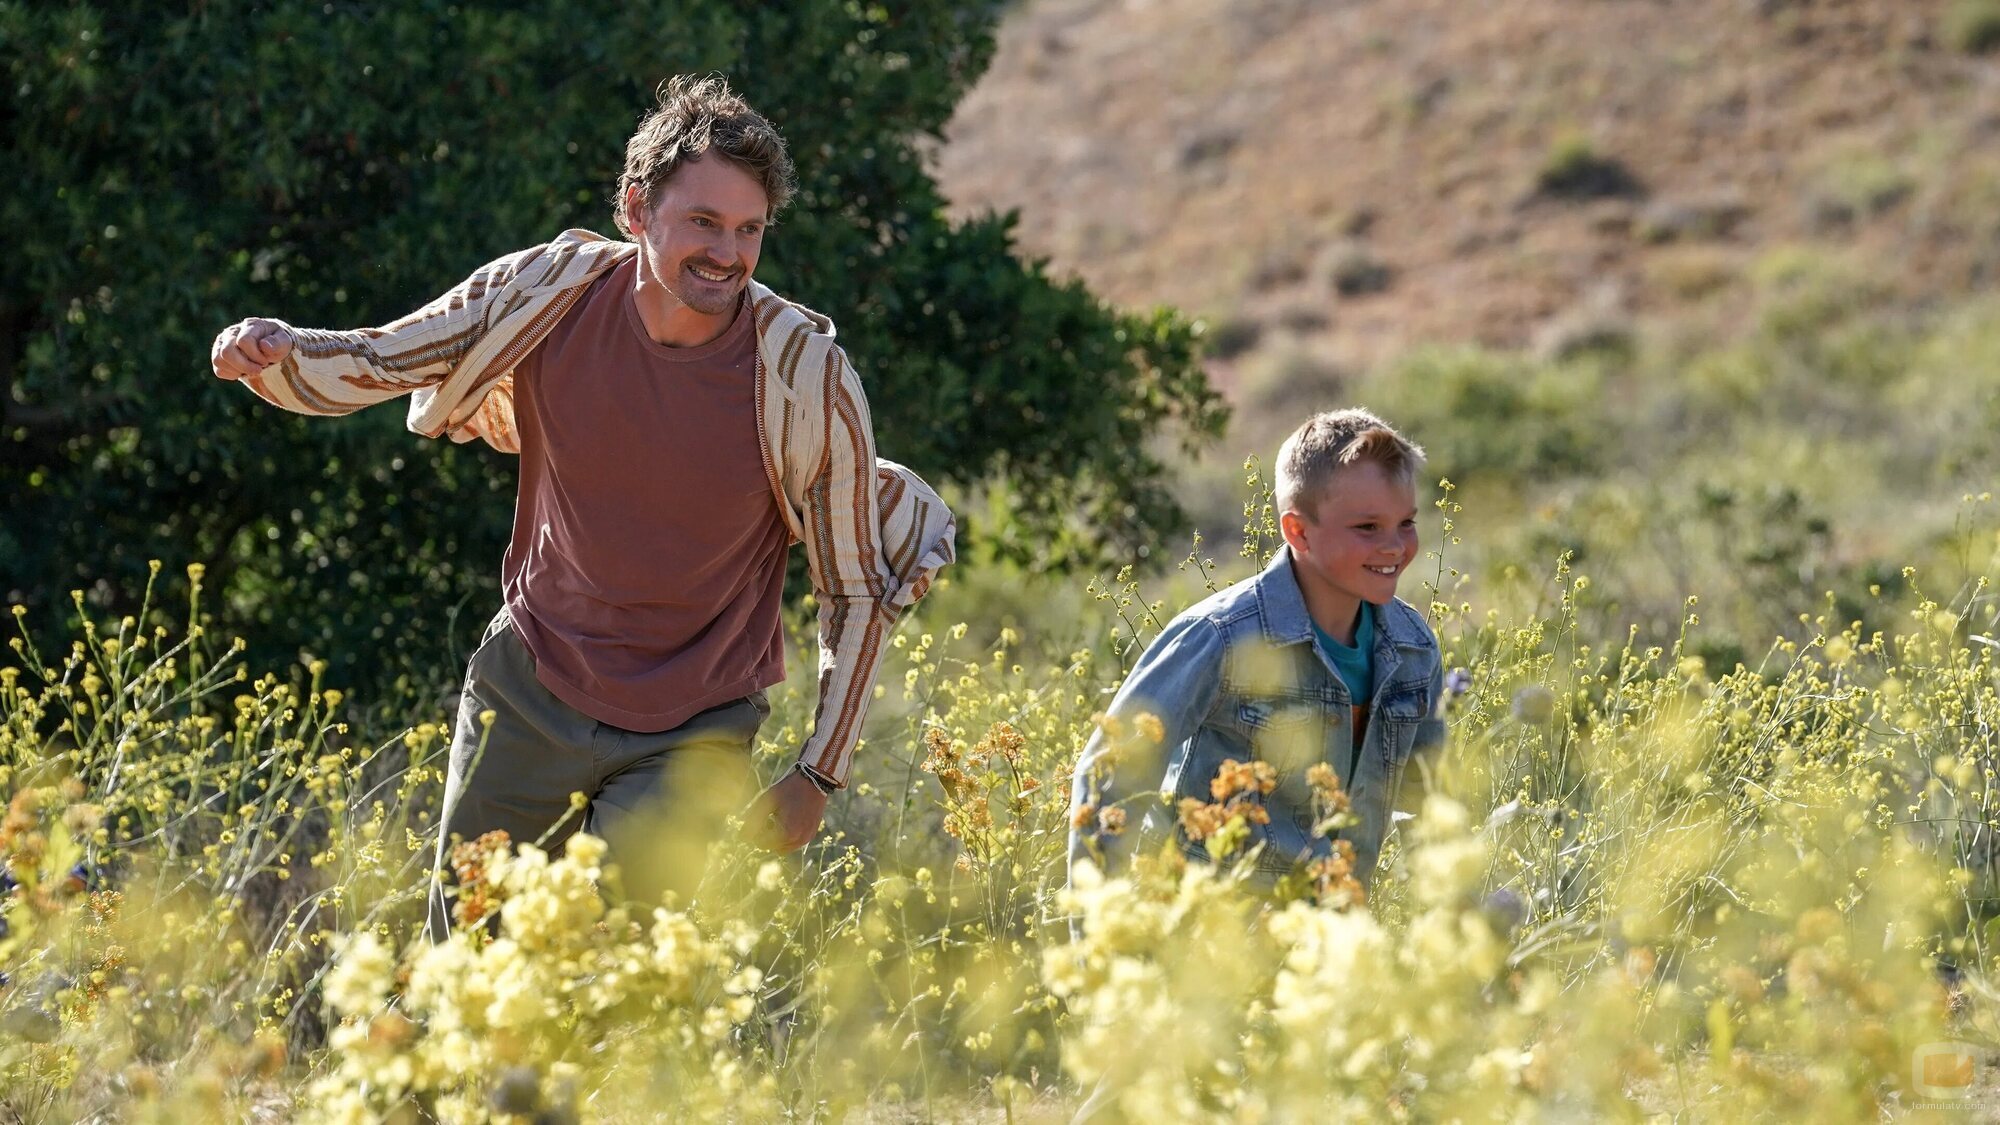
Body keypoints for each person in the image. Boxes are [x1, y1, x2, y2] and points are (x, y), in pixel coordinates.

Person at [209, 75, 954, 929]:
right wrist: (280, 352)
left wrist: (818, 772)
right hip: (529, 683)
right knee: (465, 964)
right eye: (704, 222)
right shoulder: (547, 293)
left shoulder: (804, 375)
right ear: (637, 210)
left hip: (695, 726)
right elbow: (387, 355)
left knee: (610, 979)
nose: (729, 253)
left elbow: (854, 587)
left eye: (749, 230)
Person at [1068, 407, 1442, 894]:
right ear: (1298, 531)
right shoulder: (1220, 636)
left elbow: (1434, 809)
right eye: (1367, 528)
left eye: (1406, 523)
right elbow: (1108, 778)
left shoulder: (1412, 649)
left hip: (1333, 947)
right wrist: (1099, 946)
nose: (1394, 546)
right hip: (1204, 935)